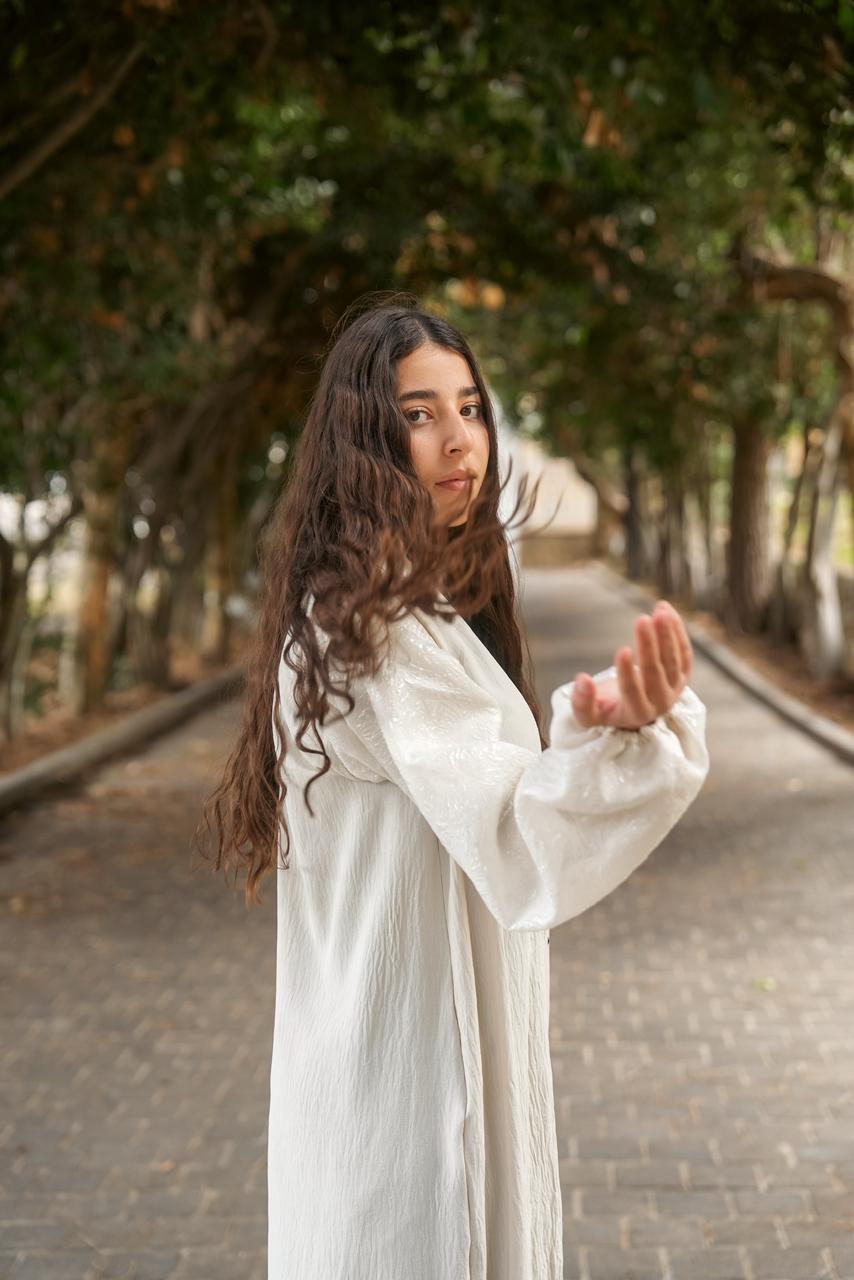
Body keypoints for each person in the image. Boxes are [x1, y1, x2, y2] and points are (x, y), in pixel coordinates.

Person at [197, 297, 710, 1280]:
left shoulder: (393, 607)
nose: (456, 436)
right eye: (418, 412)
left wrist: (591, 729)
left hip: (381, 1074)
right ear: (362, 441)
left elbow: (489, 792)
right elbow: (521, 839)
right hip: (409, 1091)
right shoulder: (375, 635)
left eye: (467, 405)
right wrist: (636, 744)